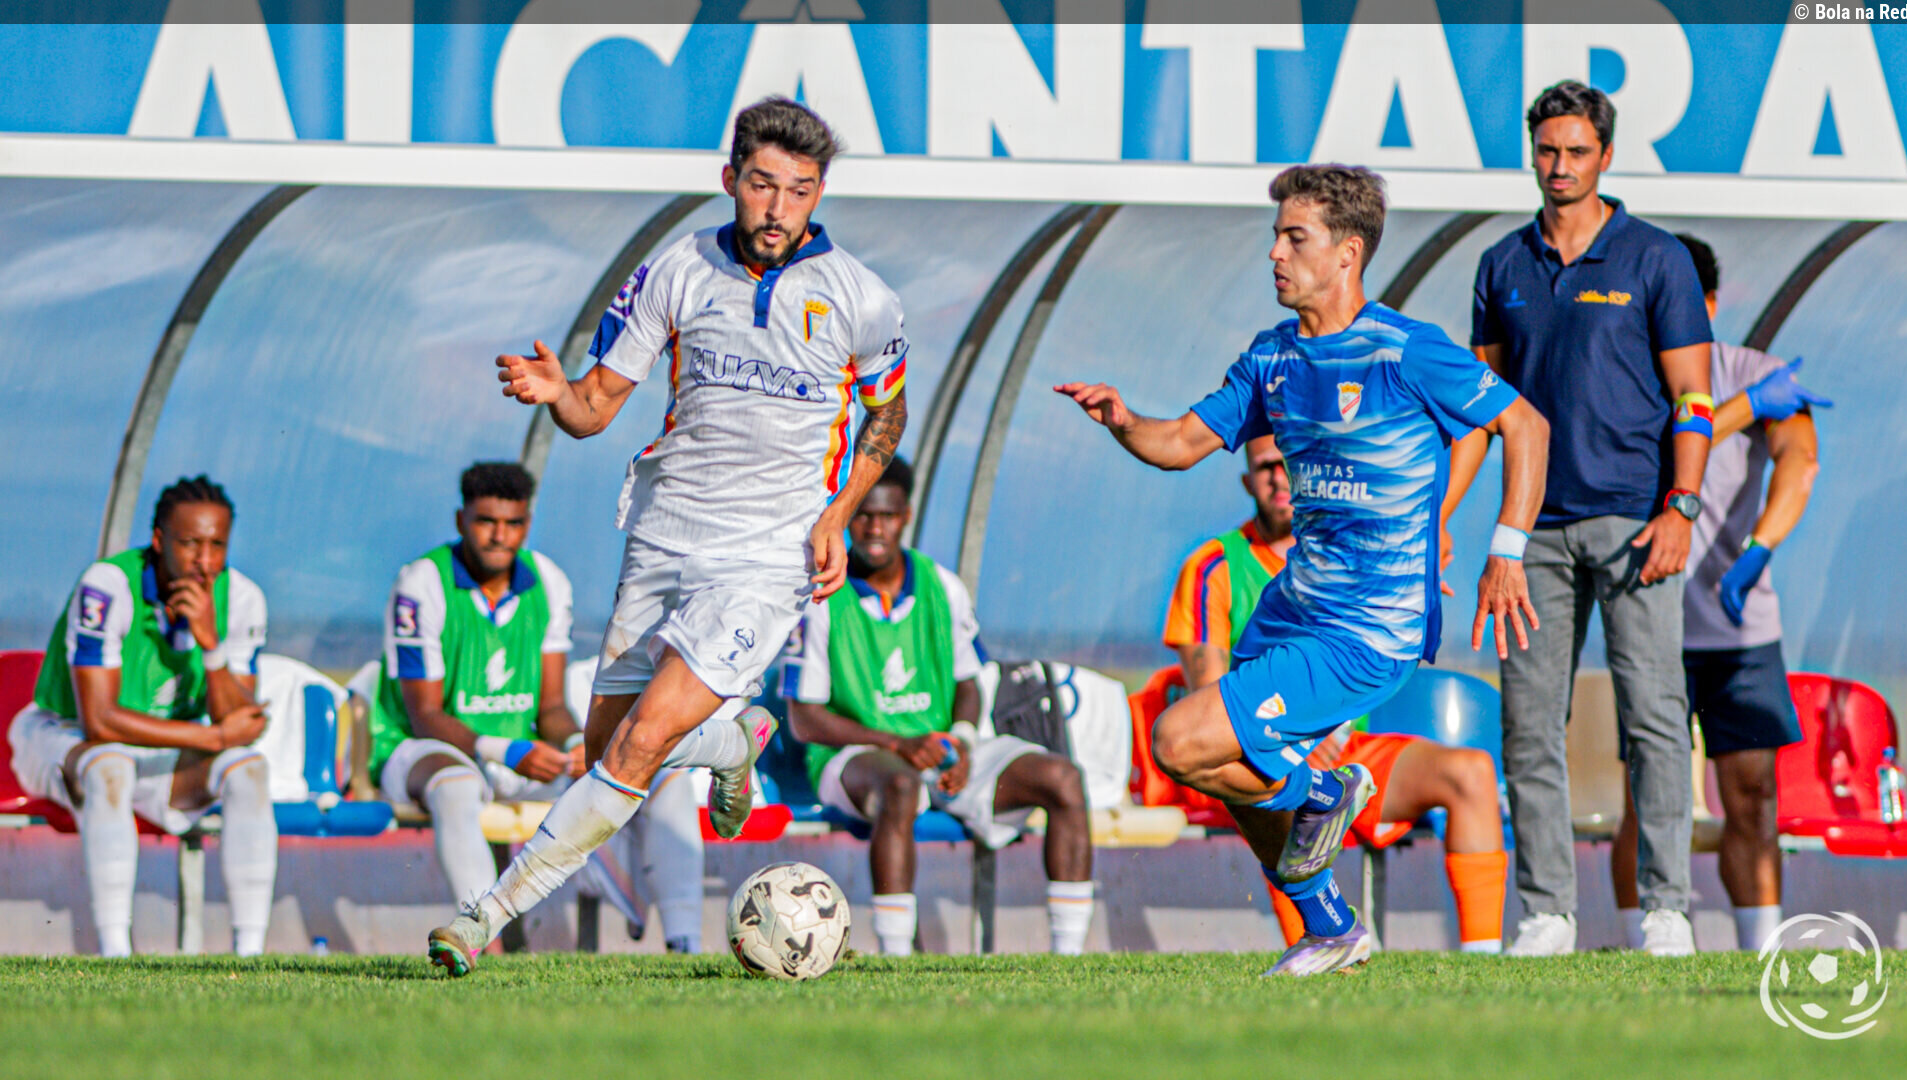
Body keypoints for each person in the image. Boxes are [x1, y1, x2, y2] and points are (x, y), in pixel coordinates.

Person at [428, 96, 910, 976]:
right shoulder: (677, 269)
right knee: (607, 752)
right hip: (661, 537)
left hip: (767, 556)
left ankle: (484, 916)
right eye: (762, 184)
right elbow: (594, 407)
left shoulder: (862, 298)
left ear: (818, 194)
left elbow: (889, 413)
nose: (778, 207)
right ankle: (731, 741)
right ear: (730, 179)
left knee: (640, 743)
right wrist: (557, 393)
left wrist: (838, 514)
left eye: (799, 190)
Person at [1059, 163, 1548, 976]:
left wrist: (1504, 550)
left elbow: (1524, 425)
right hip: (1293, 610)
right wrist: (1122, 420)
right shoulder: (1272, 357)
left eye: (1295, 238)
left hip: (1373, 625)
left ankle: (1326, 796)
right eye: (1276, 237)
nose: (1276, 254)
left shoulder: (1406, 349)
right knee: (1223, 767)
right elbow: (1179, 444)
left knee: (1178, 739)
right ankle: (1329, 925)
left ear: (1347, 252)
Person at [1446, 80, 1714, 957]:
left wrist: (1681, 507)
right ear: (1532, 153)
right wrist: (1446, 516)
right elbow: (1483, 411)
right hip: (1530, 534)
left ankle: (1667, 910)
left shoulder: (1656, 258)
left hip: (1638, 525)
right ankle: (1547, 914)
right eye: (1547, 150)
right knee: (1528, 724)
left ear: (1606, 156)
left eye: (1576, 151)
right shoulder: (1501, 265)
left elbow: (1695, 396)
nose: (1559, 166)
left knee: (1654, 719)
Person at [1164, 436, 1508, 954]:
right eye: (1265, 467)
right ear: (1247, 481)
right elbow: (1210, 698)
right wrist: (1290, 735)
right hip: (1266, 748)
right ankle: (1322, 939)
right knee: (1254, 766)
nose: (1279, 477)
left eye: (1288, 463)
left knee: (1472, 773)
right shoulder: (1214, 565)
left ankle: (1483, 965)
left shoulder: (1355, 550)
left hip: (1347, 751)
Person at [780, 458, 1094, 956]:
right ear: (846, 517)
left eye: (887, 515)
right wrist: (898, 744)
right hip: (856, 759)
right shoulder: (822, 594)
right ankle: (896, 956)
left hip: (939, 750)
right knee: (900, 786)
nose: (874, 528)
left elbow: (969, 684)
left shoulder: (942, 586)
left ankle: (1069, 956)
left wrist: (962, 740)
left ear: (906, 515)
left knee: (1064, 779)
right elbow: (804, 719)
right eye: (863, 515)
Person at [1610, 235, 1826, 952]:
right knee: (1647, 797)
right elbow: (1678, 443)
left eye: (1681, 300)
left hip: (1740, 630)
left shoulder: (1755, 370)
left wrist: (1759, 548)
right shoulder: (1627, 376)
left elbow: (1800, 463)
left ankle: (1759, 950)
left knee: (1753, 793)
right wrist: (1746, 408)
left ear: (1708, 303)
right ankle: (1638, 947)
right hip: (1653, 619)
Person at [8, 476, 275, 957]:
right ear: (158, 540)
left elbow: (239, 724)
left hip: (163, 751)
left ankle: (250, 953)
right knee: (109, 765)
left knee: (249, 770)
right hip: (61, 736)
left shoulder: (242, 598)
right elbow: (99, 721)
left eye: (217, 545)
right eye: (190, 543)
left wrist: (212, 647)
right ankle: (117, 953)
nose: (205, 561)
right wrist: (215, 738)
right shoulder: (107, 587)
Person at [367, 463, 585, 916]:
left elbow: (551, 707)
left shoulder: (549, 581)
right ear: (460, 520)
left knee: (635, 776)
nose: (499, 536)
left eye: (514, 523)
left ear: (528, 523)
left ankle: (680, 939)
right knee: (457, 786)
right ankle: (477, 931)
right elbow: (424, 716)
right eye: (486, 521)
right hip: (421, 750)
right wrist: (505, 750)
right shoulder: (422, 583)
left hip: (516, 755)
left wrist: (577, 744)